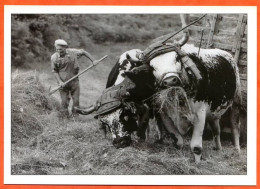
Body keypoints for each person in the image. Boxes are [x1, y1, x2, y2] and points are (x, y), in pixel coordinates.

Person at [51, 39, 97, 118]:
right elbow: (55, 71)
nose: (59, 51)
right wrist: (60, 82)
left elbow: (84, 52)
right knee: (64, 101)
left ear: (65, 48)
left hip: (74, 81)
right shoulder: (54, 57)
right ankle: (64, 117)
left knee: (76, 100)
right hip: (62, 84)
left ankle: (75, 117)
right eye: (57, 49)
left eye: (61, 49)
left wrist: (93, 60)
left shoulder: (73, 52)